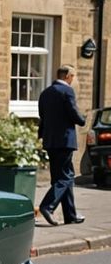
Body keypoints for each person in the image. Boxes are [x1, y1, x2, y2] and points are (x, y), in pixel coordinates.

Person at [38, 64, 87, 226]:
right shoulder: (67, 91)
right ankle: (47, 206)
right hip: (65, 141)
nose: (73, 79)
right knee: (66, 177)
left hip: (50, 141)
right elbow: (73, 113)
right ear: (67, 76)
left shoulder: (45, 93)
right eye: (73, 76)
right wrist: (83, 119)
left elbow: (42, 118)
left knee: (61, 177)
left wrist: (41, 136)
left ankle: (70, 215)